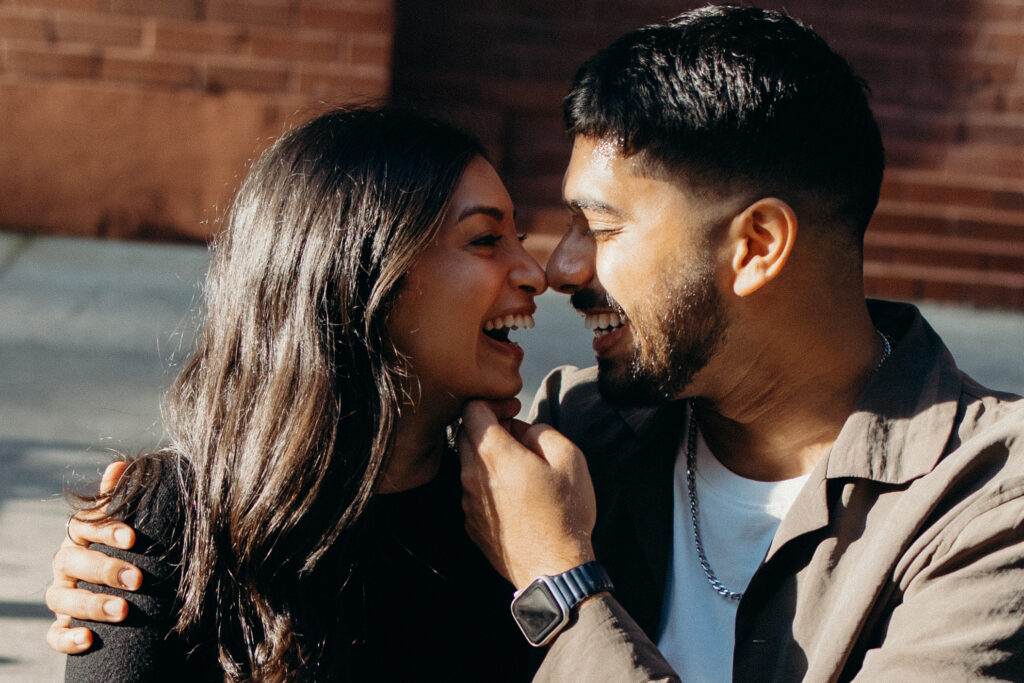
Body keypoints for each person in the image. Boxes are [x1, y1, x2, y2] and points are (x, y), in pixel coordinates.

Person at [48, 6, 1024, 681]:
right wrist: (157, 538)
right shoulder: (558, 437)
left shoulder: (986, 502)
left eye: (598, 227)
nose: (555, 268)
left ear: (755, 245)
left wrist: (560, 578)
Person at [48, 105, 545, 681]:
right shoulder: (176, 524)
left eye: (519, 239)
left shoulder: (517, 514)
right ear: (358, 272)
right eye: (486, 239)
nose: (535, 272)